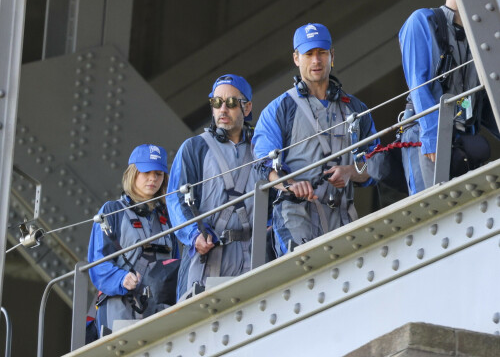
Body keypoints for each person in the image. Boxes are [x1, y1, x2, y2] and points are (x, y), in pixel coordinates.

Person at [252, 23, 378, 257]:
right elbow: (262, 163)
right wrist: (290, 184)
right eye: (308, 54)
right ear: (296, 58)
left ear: (332, 56)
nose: (316, 60)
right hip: (296, 215)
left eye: (321, 52)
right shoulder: (279, 109)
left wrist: (351, 171)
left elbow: (377, 163)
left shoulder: (356, 108)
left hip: (343, 214)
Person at [399, 0, 496, 194]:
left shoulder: (480, 38)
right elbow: (418, 85)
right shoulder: (423, 21)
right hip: (426, 131)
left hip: (464, 135)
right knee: (433, 207)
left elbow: (484, 100)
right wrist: (433, 137)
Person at [166, 74, 259, 299]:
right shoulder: (194, 147)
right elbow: (176, 198)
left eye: (231, 103)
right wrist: (193, 235)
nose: (222, 109)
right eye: (217, 102)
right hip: (206, 259)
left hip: (254, 257)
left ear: (247, 108)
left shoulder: (261, 145)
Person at [88, 144, 179, 336]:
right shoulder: (112, 211)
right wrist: (121, 279)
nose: (153, 178)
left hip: (161, 309)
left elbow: (177, 263)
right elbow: (98, 263)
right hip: (120, 307)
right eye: (146, 172)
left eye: (158, 174)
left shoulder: (169, 217)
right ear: (133, 173)